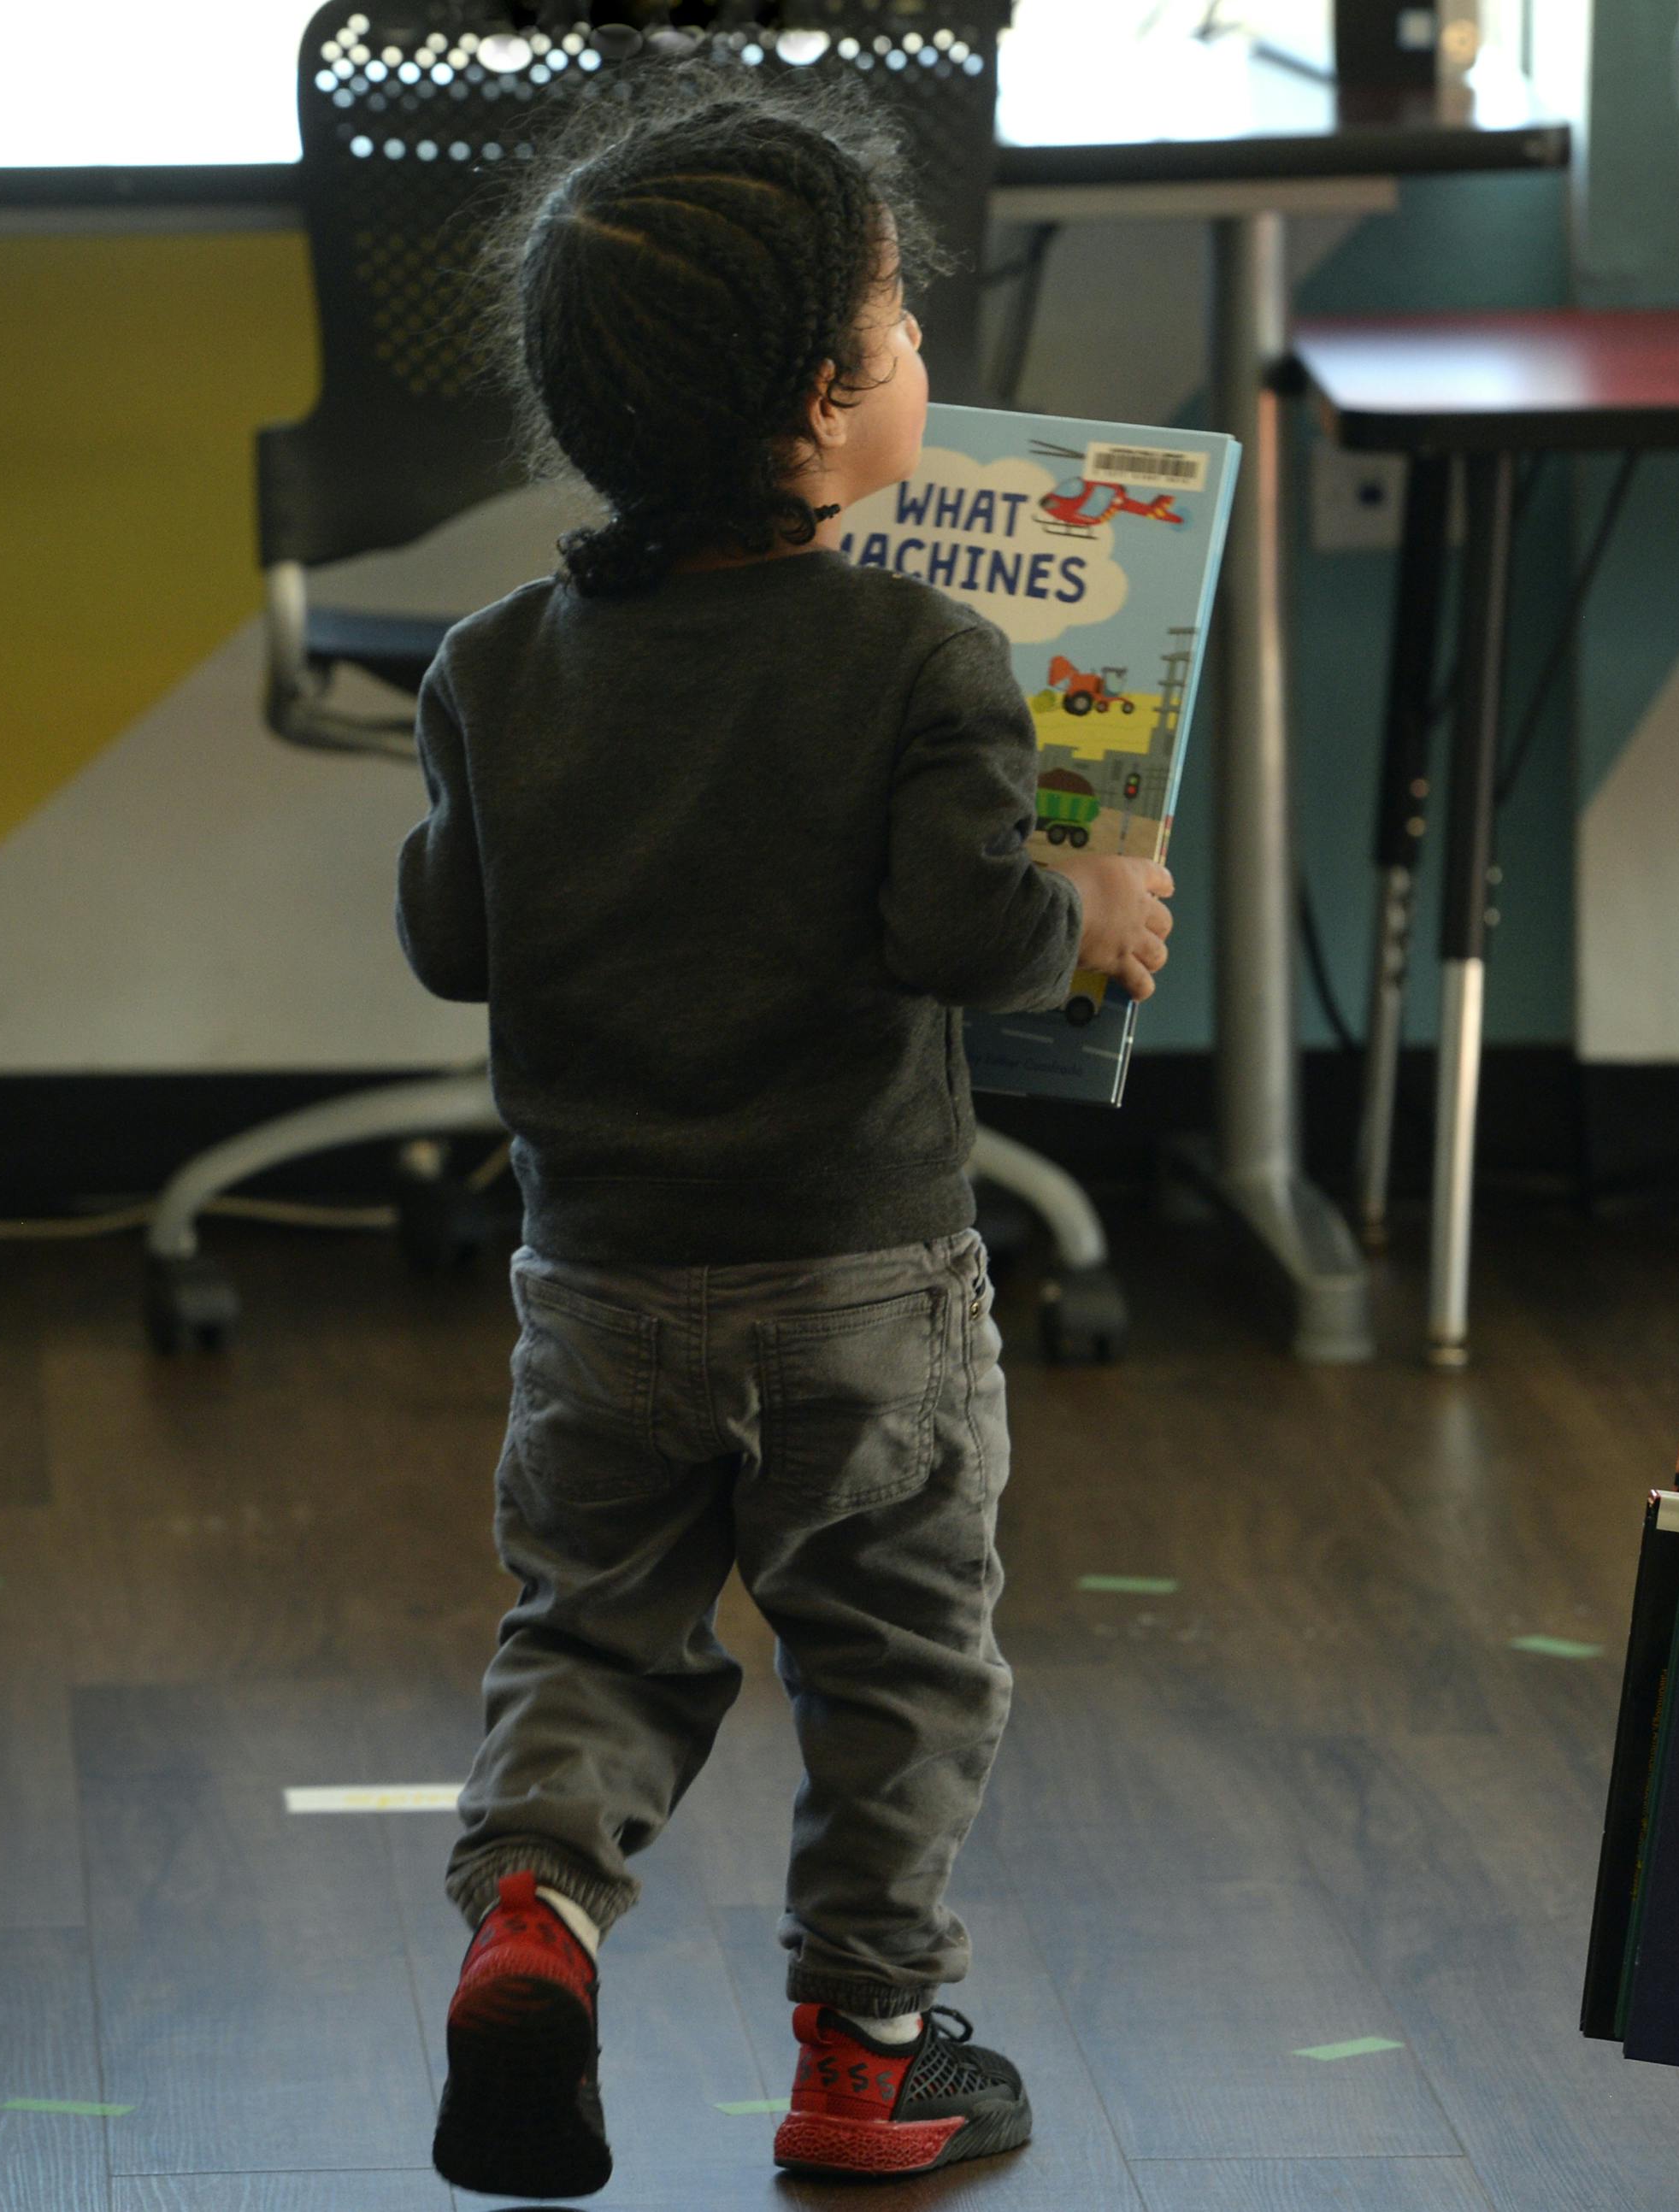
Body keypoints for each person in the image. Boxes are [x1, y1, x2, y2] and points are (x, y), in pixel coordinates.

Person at [395, 75, 1176, 2199]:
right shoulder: (923, 650)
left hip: (602, 1282)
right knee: (897, 1658)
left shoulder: (488, 666)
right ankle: (870, 2054)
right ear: (827, 410)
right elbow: (966, 926)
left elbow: (450, 939)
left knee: (594, 1633)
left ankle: (536, 1919)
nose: (926, 358)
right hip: (867, 1289)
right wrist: (1092, 908)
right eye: (904, 328)